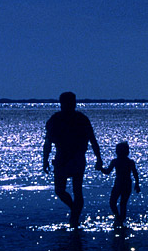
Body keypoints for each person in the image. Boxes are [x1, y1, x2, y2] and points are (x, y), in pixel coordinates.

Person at [43, 91, 103, 228]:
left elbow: (93, 140)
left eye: (72, 102)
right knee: (60, 191)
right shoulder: (55, 119)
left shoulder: (82, 119)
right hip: (62, 157)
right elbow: (47, 142)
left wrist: (99, 159)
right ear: (62, 103)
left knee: (77, 190)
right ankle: (74, 210)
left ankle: (74, 218)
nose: (71, 105)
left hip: (77, 158)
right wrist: (45, 160)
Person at [101, 141, 141, 228]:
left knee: (118, 203)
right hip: (123, 184)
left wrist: (137, 184)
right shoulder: (118, 161)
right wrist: (101, 169)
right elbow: (108, 171)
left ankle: (120, 220)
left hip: (121, 184)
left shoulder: (127, 162)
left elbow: (135, 173)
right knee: (118, 203)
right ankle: (119, 219)